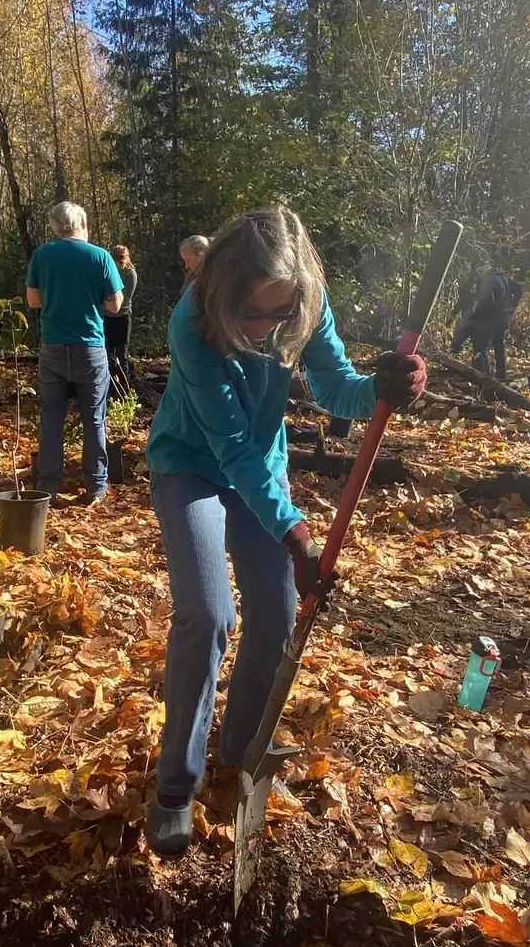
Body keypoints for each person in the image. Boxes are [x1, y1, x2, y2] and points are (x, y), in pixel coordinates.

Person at [144, 206, 427, 857]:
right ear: (223, 292)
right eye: (253, 314)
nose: (265, 328)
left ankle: (241, 761)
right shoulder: (191, 324)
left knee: (273, 617)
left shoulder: (304, 304)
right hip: (191, 465)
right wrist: (295, 530)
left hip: (259, 475)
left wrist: (389, 385)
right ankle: (175, 790)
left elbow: (337, 389)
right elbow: (232, 448)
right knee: (208, 613)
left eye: (279, 315)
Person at [26, 202, 124, 505]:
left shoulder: (42, 255)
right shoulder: (99, 256)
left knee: (51, 418)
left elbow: (33, 301)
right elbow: (115, 304)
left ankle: (48, 486)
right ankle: (95, 486)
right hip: (89, 347)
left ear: (56, 225)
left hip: (52, 345)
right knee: (94, 418)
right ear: (81, 222)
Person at [459, 266, 524, 382]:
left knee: (481, 347)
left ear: (482, 271)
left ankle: (483, 376)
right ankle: (501, 375)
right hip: (504, 317)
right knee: (499, 345)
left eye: (480, 274)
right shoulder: (504, 277)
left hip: (491, 319)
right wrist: (511, 307)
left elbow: (485, 300)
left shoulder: (489, 279)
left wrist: (475, 314)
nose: (480, 276)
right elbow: (519, 289)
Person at [104, 245, 137, 391]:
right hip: (106, 316)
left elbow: (125, 297)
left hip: (122, 316)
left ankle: (124, 387)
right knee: (108, 352)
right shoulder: (107, 272)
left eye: (121, 263)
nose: (118, 266)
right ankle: (109, 385)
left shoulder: (130, 274)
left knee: (121, 353)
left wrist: (109, 299)